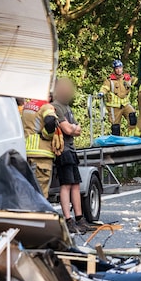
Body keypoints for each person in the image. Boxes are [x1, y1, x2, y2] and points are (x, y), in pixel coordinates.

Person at [51, 78, 90, 232]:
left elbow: (78, 130)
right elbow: (68, 130)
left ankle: (79, 219)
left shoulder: (67, 106)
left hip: (72, 150)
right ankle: (68, 220)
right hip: (63, 150)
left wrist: (73, 128)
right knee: (66, 185)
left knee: (75, 185)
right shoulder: (56, 107)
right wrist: (73, 128)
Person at [20, 97, 59, 197]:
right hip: (41, 154)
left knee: (28, 190)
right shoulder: (46, 106)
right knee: (40, 193)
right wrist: (46, 135)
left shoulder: (27, 106)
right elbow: (51, 121)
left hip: (26, 151)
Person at [99, 59, 136, 136]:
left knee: (132, 117)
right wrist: (102, 93)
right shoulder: (110, 80)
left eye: (120, 68)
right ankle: (117, 143)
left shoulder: (127, 78)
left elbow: (137, 81)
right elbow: (105, 87)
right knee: (115, 126)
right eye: (117, 68)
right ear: (114, 69)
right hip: (114, 106)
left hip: (125, 104)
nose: (119, 70)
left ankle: (132, 137)